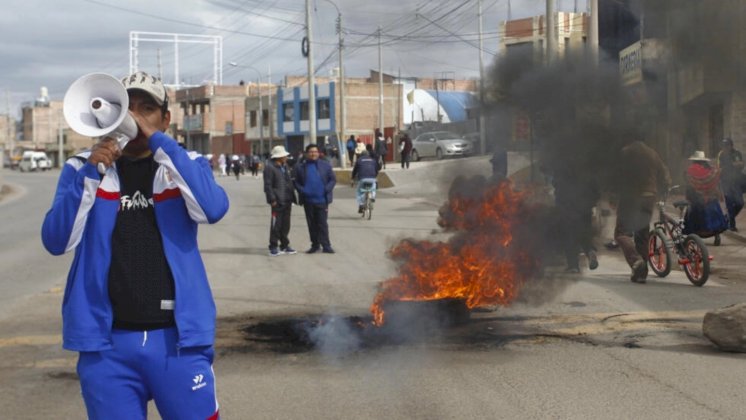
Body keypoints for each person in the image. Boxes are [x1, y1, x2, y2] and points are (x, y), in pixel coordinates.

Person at [41, 71, 228, 419]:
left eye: (147, 109)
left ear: (166, 119)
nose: (136, 117)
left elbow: (213, 209)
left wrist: (161, 144)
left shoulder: (183, 165)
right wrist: (91, 174)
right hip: (106, 346)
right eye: (127, 107)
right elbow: (56, 241)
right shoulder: (81, 167)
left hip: (178, 341)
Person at [612, 139, 671, 284]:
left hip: (630, 197)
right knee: (642, 234)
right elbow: (664, 174)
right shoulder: (652, 153)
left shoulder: (626, 152)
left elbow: (617, 176)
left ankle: (636, 260)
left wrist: (613, 195)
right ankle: (641, 274)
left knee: (621, 233)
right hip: (649, 196)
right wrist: (664, 189)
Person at [553, 165, 600, 272]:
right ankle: (590, 251)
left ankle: (573, 265)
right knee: (584, 232)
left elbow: (557, 183)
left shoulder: (562, 162)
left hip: (568, 206)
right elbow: (595, 186)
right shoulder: (586, 163)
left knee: (569, 235)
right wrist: (592, 202)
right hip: (585, 205)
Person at [294, 144, 337, 254]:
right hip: (308, 201)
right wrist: (302, 190)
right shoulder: (300, 167)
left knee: (322, 223)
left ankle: (326, 245)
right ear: (307, 153)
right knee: (311, 224)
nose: (313, 154)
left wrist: (326, 189)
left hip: (322, 200)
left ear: (318, 153)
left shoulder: (325, 165)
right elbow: (296, 182)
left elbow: (332, 180)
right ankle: (315, 245)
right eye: (311, 152)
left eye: (315, 151)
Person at [683, 151, 728, 237]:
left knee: (693, 214)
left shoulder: (691, 169)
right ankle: (715, 232)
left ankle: (695, 233)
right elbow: (716, 179)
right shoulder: (711, 169)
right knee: (714, 213)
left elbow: (690, 184)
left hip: (696, 198)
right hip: (711, 196)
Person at [264, 145, 298, 256]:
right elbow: (268, 185)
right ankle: (273, 246)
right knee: (276, 225)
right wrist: (272, 199)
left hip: (287, 200)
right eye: (284, 156)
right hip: (277, 201)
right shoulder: (270, 168)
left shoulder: (285, 167)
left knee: (285, 225)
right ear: (278, 157)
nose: (286, 157)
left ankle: (284, 245)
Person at [717, 138, 744, 231]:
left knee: (740, 203)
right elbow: (720, 168)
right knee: (729, 204)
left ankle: (728, 218)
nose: (725, 148)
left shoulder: (737, 153)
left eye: (727, 145)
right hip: (726, 182)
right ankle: (731, 225)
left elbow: (741, 164)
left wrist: (734, 165)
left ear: (731, 146)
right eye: (724, 146)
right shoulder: (721, 155)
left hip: (737, 182)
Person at [352, 149, 380, 214]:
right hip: (372, 178)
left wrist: (352, 179)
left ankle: (361, 204)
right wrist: (375, 177)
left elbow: (355, 171)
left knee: (359, 191)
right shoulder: (373, 160)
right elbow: (376, 170)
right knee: (373, 187)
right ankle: (372, 197)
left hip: (362, 178)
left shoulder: (359, 160)